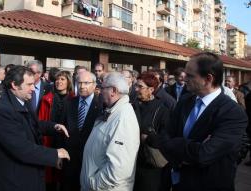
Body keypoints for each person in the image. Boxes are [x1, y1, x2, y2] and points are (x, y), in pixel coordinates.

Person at [159, 52, 248, 191]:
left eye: (190, 75)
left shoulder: (233, 112)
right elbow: (164, 137)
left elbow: (204, 154)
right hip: (177, 183)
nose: (184, 79)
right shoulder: (184, 101)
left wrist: (177, 145)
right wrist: (191, 147)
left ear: (208, 78)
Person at [0, 66, 70, 191]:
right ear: (14, 85)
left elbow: (32, 124)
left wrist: (54, 126)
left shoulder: (21, 100)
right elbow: (22, 148)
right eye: (29, 84)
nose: (33, 88)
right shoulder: (3, 112)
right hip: (13, 181)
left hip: (24, 176)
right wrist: (55, 153)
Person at [80, 72, 140, 191]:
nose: (100, 91)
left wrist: (94, 184)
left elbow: (119, 168)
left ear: (113, 90)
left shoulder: (124, 118)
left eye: (103, 88)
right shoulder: (112, 111)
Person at [60, 71, 103, 191]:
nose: (82, 86)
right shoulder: (69, 103)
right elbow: (61, 129)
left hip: (91, 161)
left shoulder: (101, 106)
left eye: (86, 83)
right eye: (79, 83)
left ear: (94, 85)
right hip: (69, 159)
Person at [38, 70, 75, 190]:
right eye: (57, 79)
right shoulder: (46, 99)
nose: (59, 82)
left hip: (66, 142)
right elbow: (40, 121)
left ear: (69, 82)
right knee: (49, 179)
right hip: (49, 141)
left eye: (62, 79)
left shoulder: (74, 100)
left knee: (65, 178)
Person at [133, 72, 169, 191]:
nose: (136, 89)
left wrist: (147, 138)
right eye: (136, 86)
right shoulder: (131, 105)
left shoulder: (162, 110)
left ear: (151, 89)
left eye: (140, 87)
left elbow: (165, 138)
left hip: (149, 165)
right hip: (131, 161)